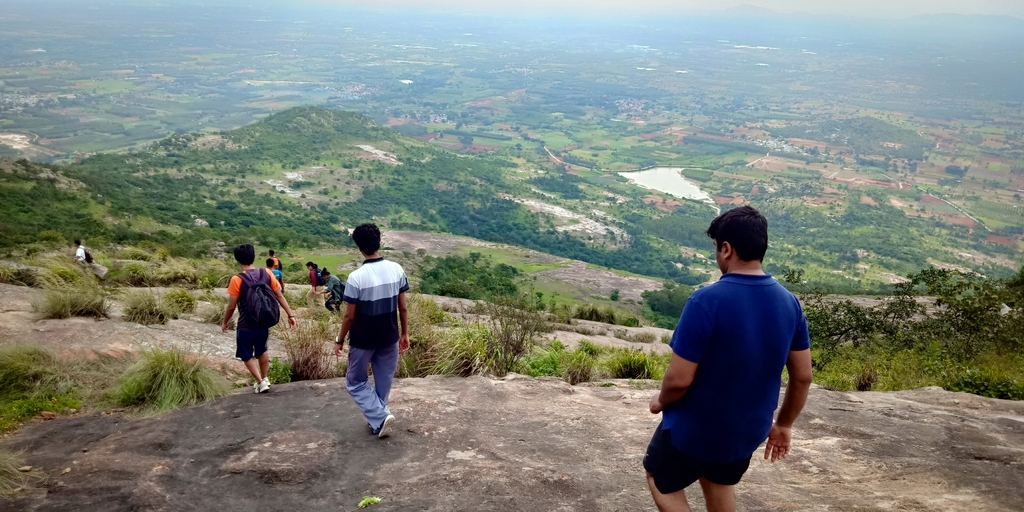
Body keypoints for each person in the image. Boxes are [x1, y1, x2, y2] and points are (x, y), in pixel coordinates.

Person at [644, 206, 813, 512]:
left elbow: (679, 380)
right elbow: (802, 376)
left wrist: (660, 401)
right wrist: (784, 424)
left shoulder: (705, 301)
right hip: (746, 433)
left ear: (726, 248)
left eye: (716, 248)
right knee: (719, 478)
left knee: (659, 477)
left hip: (695, 430)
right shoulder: (789, 303)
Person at [334, 223, 409, 439]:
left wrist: (339, 340)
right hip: (390, 336)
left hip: (363, 339)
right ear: (379, 242)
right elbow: (402, 307)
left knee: (354, 381)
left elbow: (349, 316)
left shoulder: (356, 277)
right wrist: (405, 333)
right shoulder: (397, 269)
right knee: (383, 380)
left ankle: (379, 417)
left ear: (359, 248)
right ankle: (379, 420)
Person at [222, 244, 297, 394]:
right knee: (262, 349)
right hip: (263, 322)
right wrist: (291, 315)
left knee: (246, 354)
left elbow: (231, 306)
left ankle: (260, 381)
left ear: (237, 259)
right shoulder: (267, 273)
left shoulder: (237, 279)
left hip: (245, 324)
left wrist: (225, 322)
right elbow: (279, 295)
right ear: (253, 257)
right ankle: (265, 378)